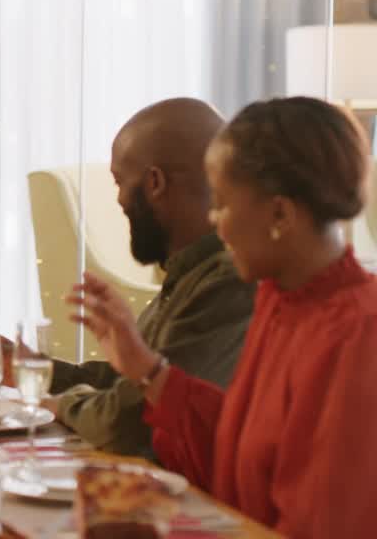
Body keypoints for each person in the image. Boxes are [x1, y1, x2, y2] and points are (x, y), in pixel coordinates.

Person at [71, 96, 377, 536]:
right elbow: (237, 456)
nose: (216, 222)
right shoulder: (280, 300)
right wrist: (146, 370)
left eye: (223, 204)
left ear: (280, 214)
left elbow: (320, 520)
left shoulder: (357, 332)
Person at [38, 98, 254, 458]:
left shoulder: (226, 283)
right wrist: (39, 369)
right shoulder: (190, 273)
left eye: (120, 181)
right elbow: (130, 385)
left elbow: (125, 424)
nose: (120, 200)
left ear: (155, 182)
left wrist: (59, 405)